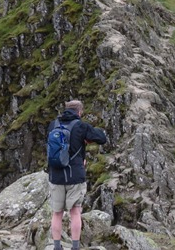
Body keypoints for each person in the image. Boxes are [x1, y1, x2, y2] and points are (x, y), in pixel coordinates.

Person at [47, 99, 107, 250]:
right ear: (80, 112)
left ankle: (56, 246)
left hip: (55, 176)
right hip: (75, 176)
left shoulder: (53, 125)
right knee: (75, 212)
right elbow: (102, 138)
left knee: (56, 213)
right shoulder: (81, 126)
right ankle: (75, 247)